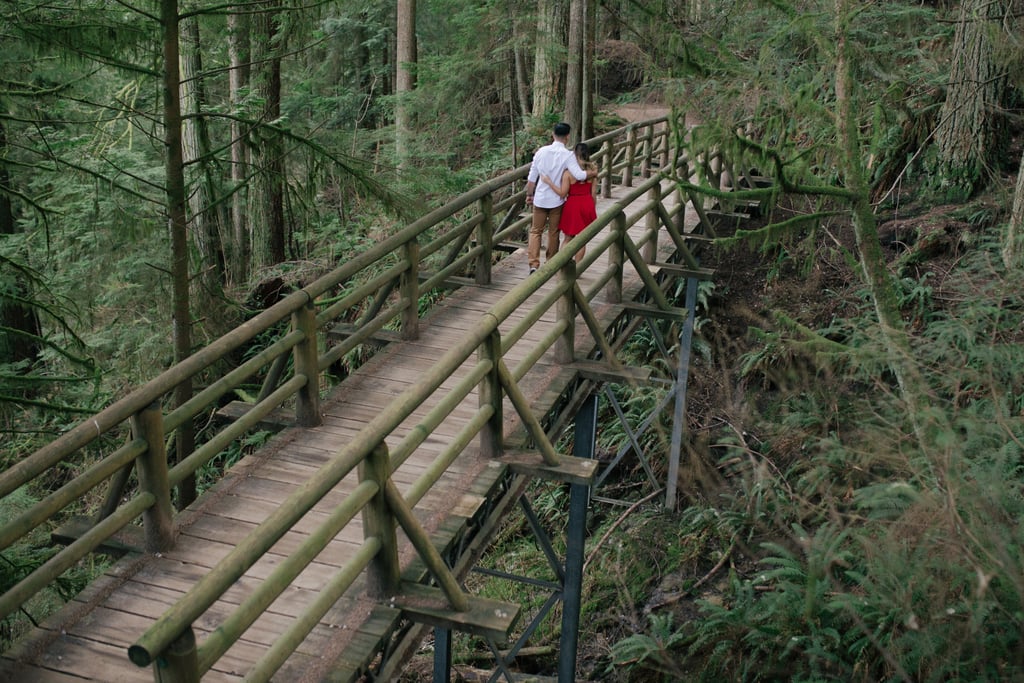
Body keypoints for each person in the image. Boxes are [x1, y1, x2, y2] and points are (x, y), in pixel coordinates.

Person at [524, 122, 597, 274]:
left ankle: (533, 264)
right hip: (557, 200)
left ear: (553, 134)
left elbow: (532, 178)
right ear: (567, 137)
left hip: (540, 199)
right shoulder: (568, 155)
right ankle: (551, 262)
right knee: (553, 232)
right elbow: (579, 175)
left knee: (535, 231)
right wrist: (592, 174)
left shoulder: (541, 152)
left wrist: (530, 195)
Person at [540, 142, 598, 264]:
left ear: (574, 155)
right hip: (587, 203)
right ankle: (577, 268)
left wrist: (549, 182)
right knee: (582, 240)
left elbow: (562, 193)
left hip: (573, 204)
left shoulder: (568, 173)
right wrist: (592, 209)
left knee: (568, 237)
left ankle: (563, 265)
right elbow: (593, 194)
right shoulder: (592, 171)